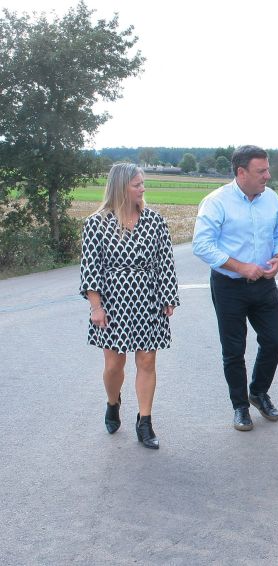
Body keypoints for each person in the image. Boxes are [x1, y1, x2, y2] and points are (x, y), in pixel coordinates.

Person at [80, 163, 180, 449]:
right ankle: (113, 402)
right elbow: (90, 269)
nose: (142, 188)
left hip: (148, 298)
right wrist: (96, 307)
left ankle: (145, 422)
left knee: (147, 361)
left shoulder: (154, 221)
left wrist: (168, 297)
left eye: (142, 183)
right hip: (113, 301)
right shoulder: (97, 223)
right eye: (137, 184)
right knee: (114, 364)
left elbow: (165, 263)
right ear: (121, 187)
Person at [192, 145, 278, 431]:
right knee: (233, 350)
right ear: (241, 172)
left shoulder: (271, 199)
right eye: (262, 171)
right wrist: (240, 266)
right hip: (229, 286)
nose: (268, 176)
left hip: (265, 284)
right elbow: (202, 245)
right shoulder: (216, 202)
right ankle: (240, 407)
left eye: (267, 169)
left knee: (274, 342)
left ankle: (258, 392)